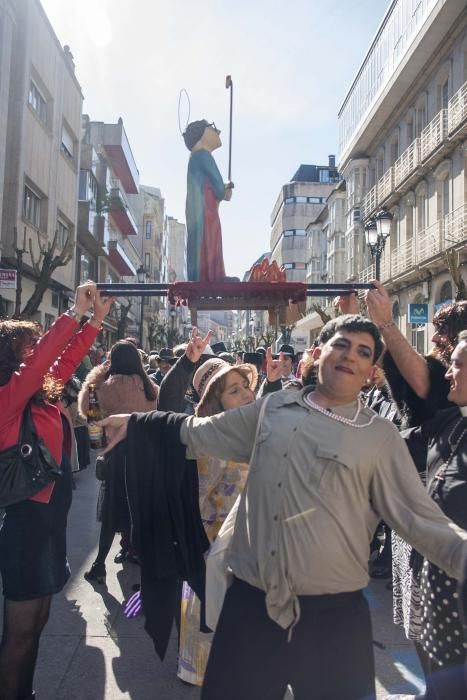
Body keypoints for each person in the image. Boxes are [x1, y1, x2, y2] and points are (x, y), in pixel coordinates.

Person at [99, 315, 467, 700]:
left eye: (363, 352)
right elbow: (201, 431)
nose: (350, 357)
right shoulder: (273, 408)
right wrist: (139, 422)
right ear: (320, 352)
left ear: (371, 371)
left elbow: (422, 520)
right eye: (341, 344)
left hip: (333, 622)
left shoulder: (379, 436)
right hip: (250, 606)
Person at [0, 281, 113, 700]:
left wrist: (95, 322)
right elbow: (43, 363)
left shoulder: (38, 397)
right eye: (27, 346)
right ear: (9, 357)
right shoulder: (7, 398)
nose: (35, 352)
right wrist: (73, 314)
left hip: (47, 524)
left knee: (39, 621)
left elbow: (63, 361)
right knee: (20, 631)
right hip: (25, 523)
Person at [178, 357, 257, 686]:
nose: (248, 396)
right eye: (235, 391)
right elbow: (195, 498)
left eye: (247, 388)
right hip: (213, 543)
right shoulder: (205, 440)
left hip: (247, 542)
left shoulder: (246, 429)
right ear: (214, 401)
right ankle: (203, 671)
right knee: (208, 610)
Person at [78, 340, 158, 582]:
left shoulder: (104, 388)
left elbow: (85, 409)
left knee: (111, 512)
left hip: (115, 455)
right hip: (144, 456)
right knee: (140, 509)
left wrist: (100, 370)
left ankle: (99, 564)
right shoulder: (150, 387)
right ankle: (146, 564)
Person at [183, 119, 233, 282]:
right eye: (213, 128)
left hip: (199, 212)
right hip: (207, 213)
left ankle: (203, 277)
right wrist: (227, 188)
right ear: (203, 133)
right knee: (212, 239)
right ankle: (215, 277)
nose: (217, 132)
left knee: (201, 242)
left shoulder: (194, 158)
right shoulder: (204, 156)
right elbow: (219, 189)